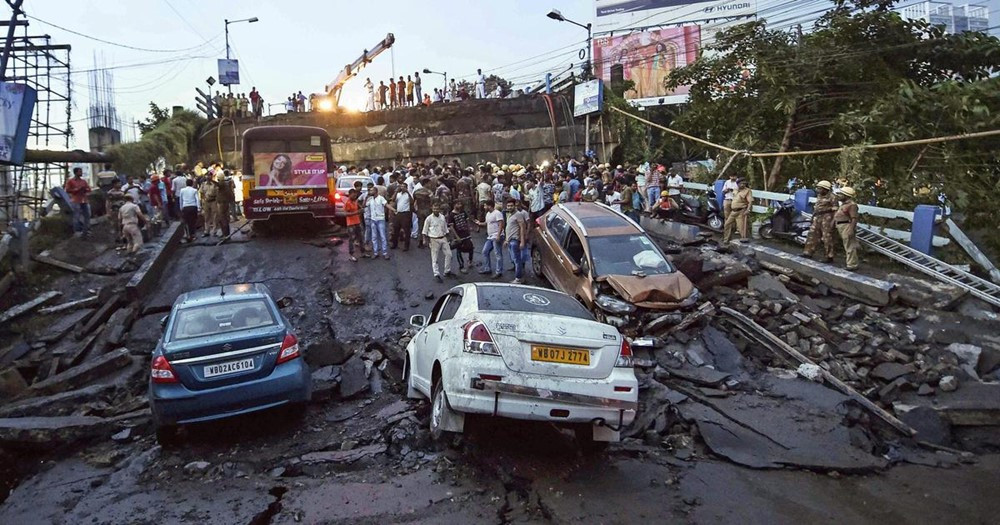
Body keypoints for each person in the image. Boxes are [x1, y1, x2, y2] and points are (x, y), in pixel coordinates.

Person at [802, 180, 837, 262]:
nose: (818, 190)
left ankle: (829, 256)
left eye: (820, 188)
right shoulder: (819, 196)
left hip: (827, 218)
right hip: (817, 217)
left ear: (825, 189)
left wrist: (833, 221)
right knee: (812, 235)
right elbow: (817, 207)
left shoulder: (832, 197)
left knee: (827, 237)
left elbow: (836, 209)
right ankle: (808, 252)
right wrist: (813, 217)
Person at [423, 203, 454, 282]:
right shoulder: (429, 218)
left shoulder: (442, 217)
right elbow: (425, 231)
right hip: (434, 239)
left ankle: (447, 271)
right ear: (432, 209)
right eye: (434, 208)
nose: (436, 210)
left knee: (449, 254)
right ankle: (436, 274)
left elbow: (445, 228)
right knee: (435, 258)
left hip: (443, 238)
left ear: (439, 209)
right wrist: (425, 240)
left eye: (437, 208)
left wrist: (449, 237)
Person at [834, 187, 860, 271]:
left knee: (849, 245)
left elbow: (854, 218)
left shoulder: (852, 205)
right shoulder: (844, 204)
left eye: (841, 194)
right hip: (841, 226)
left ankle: (852, 265)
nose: (839, 196)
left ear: (846, 195)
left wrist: (851, 229)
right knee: (847, 244)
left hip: (846, 225)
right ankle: (850, 263)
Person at [504, 199, 528, 284]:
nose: (509, 207)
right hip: (510, 240)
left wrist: (522, 241)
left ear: (515, 206)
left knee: (517, 260)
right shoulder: (509, 214)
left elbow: (522, 227)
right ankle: (520, 276)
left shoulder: (518, 215)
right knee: (515, 260)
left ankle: (518, 278)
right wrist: (506, 240)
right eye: (508, 206)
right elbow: (509, 228)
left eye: (511, 206)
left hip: (515, 241)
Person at [447, 201, 475, 273]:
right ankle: (461, 266)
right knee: (459, 250)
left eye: (460, 204)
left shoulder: (463, 212)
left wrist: (469, 230)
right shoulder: (451, 215)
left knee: (470, 247)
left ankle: (470, 260)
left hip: (466, 233)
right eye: (458, 204)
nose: (459, 205)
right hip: (458, 234)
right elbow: (451, 227)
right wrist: (456, 237)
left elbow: (467, 221)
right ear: (454, 205)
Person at [65, 167, 92, 237]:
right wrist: (76, 190)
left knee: (87, 215)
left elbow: (89, 189)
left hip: (84, 199)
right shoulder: (71, 181)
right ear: (76, 173)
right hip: (76, 200)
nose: (81, 173)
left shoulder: (83, 181)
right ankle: (77, 231)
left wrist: (85, 189)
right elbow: (67, 190)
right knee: (76, 216)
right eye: (80, 172)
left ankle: (86, 230)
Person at [723, 178, 752, 243]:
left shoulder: (747, 191)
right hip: (733, 211)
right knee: (727, 224)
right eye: (741, 183)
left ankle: (744, 242)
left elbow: (750, 202)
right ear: (738, 184)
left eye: (744, 183)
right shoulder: (735, 190)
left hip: (741, 211)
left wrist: (748, 210)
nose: (743, 185)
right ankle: (726, 240)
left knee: (742, 228)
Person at [365, 186, 389, 259]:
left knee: (383, 236)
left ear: (376, 191)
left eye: (371, 190)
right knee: (374, 237)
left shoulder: (381, 198)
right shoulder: (370, 199)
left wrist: (393, 210)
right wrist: (366, 197)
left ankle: (385, 253)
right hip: (373, 220)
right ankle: (375, 252)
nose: (370, 192)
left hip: (380, 219)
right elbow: (364, 205)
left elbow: (386, 205)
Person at [387, 181, 413, 251]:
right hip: (398, 213)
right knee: (395, 229)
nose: (402, 188)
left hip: (405, 214)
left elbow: (411, 202)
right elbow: (392, 199)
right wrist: (396, 191)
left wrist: (407, 192)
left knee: (406, 230)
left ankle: (406, 246)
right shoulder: (398, 194)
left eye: (404, 187)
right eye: (402, 187)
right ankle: (394, 244)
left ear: (407, 188)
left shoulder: (408, 194)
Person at [413, 179, 434, 248]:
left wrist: (415, 210)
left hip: (420, 210)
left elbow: (414, 201)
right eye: (429, 183)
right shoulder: (429, 192)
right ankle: (428, 242)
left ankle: (420, 241)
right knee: (429, 227)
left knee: (420, 226)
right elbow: (433, 201)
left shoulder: (417, 192)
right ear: (426, 183)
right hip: (427, 211)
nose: (430, 185)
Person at [344, 189, 364, 261]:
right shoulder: (348, 203)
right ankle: (352, 255)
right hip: (351, 224)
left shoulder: (355, 201)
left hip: (357, 222)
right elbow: (346, 214)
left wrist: (360, 210)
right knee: (352, 239)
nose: (355, 196)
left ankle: (362, 252)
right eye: (353, 195)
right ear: (350, 195)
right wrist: (356, 212)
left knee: (361, 238)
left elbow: (359, 208)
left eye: (355, 195)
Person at [215, 172, 234, 238]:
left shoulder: (222, 183)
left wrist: (211, 180)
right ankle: (226, 234)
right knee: (224, 219)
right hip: (224, 203)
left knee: (222, 219)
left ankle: (226, 234)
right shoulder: (225, 184)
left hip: (222, 203)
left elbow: (218, 185)